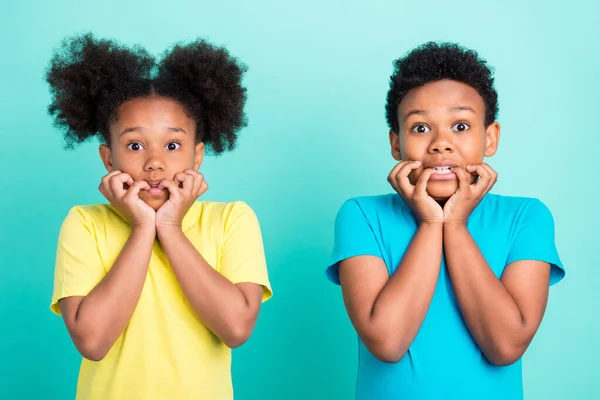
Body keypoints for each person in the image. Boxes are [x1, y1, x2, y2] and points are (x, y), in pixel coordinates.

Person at [326, 42, 565, 399]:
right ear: (397, 143)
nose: (441, 143)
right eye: (421, 128)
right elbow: (387, 342)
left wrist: (454, 225)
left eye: (460, 125)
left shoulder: (526, 218)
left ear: (490, 137)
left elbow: (506, 346)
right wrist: (428, 224)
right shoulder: (361, 215)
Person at [47, 33, 272, 400]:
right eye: (135, 145)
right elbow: (92, 341)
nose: (154, 162)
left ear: (197, 156)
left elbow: (236, 328)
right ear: (108, 159)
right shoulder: (84, 223)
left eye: (172, 145)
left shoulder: (233, 219)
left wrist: (169, 227)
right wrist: (141, 228)